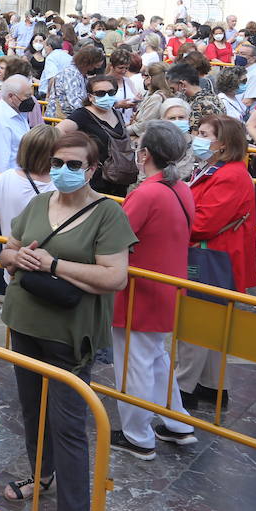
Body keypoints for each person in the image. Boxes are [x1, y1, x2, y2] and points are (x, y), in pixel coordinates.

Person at [0, 131, 137, 511]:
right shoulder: (39, 203)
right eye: (58, 162)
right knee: (31, 409)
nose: (64, 171)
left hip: (70, 336)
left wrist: (54, 264)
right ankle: (41, 474)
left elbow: (115, 277)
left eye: (75, 164)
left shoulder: (107, 215)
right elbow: (7, 251)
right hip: (25, 324)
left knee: (70, 424)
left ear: (93, 169)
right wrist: (16, 258)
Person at [108, 121, 199, 460]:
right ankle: (177, 423)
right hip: (167, 285)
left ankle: (137, 435)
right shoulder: (182, 187)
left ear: (145, 154)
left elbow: (117, 237)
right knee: (156, 359)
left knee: (135, 363)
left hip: (141, 290)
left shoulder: (146, 193)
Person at [177, 115, 256, 412]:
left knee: (195, 326)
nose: (197, 137)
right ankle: (212, 386)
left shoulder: (230, 175)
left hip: (214, 258)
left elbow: (204, 223)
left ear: (222, 143)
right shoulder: (216, 168)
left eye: (203, 133)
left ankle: (182, 391)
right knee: (209, 326)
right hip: (217, 257)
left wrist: (170, 218)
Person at [56, 73, 135, 198]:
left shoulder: (116, 113)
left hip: (119, 179)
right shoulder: (82, 115)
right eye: (100, 93)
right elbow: (59, 131)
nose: (107, 96)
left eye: (111, 92)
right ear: (90, 96)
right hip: (95, 182)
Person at [0, 74, 35, 175]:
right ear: (11, 97)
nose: (30, 100)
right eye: (27, 96)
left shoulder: (19, 112)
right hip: (10, 183)